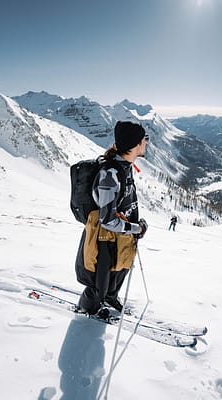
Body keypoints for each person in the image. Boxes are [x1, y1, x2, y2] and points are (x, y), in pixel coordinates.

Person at [75, 121, 149, 318]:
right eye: (144, 139)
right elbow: (107, 220)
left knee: (120, 269)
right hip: (104, 239)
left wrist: (136, 227)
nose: (146, 143)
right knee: (99, 282)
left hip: (121, 236)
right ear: (135, 145)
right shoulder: (110, 175)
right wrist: (136, 229)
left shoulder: (126, 167)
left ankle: (110, 298)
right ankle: (85, 309)